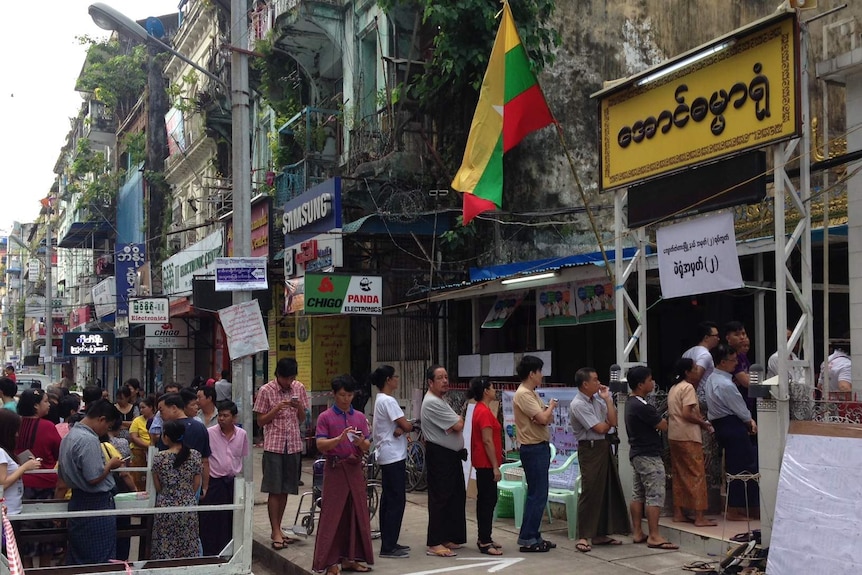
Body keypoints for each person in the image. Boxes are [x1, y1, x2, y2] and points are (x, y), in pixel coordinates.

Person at [312, 375, 374, 574]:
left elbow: (367, 445)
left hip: (355, 467)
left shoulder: (360, 417)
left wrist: (359, 443)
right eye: (342, 395)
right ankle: (330, 562)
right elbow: (320, 444)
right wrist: (339, 439)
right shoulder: (326, 417)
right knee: (332, 515)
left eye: (349, 395)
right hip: (336, 468)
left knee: (356, 513)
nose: (346, 399)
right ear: (334, 394)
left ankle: (351, 558)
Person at [569, 367, 631, 553]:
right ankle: (583, 535)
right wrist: (608, 423)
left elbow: (613, 420)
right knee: (590, 490)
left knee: (606, 489)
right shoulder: (578, 404)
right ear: (585, 384)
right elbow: (601, 428)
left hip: (603, 447)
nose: (599, 383)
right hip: (590, 449)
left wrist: (607, 399)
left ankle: (600, 533)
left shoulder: (596, 400)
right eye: (595, 380)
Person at [253, 358, 310, 550]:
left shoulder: (299, 388)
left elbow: (302, 419)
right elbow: (260, 421)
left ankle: (278, 529)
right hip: (274, 446)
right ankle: (275, 530)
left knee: (286, 488)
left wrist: (298, 407)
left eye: (291, 378)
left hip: (293, 445)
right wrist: (276, 409)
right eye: (286, 378)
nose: (288, 382)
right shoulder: (266, 391)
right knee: (274, 489)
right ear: (278, 375)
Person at [58, 399, 124, 565]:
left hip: (77, 500)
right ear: (101, 419)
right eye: (107, 426)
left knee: (79, 558)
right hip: (96, 503)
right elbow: (94, 477)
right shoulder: (89, 440)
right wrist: (110, 465)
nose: (105, 431)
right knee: (100, 559)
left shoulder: (69, 436)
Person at [624, 366, 678, 550]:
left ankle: (638, 531)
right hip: (648, 455)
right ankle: (654, 535)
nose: (653, 383)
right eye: (650, 380)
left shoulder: (631, 403)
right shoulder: (642, 406)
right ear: (641, 384)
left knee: (638, 492)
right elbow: (663, 425)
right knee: (655, 494)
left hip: (637, 453)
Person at [704, 343, 759, 520]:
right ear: (722, 362)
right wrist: (749, 420)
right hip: (731, 424)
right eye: (732, 360)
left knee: (736, 466)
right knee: (743, 467)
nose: (735, 364)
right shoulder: (725, 384)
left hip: (721, 425)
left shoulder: (712, 379)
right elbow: (740, 408)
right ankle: (735, 509)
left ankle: (742, 506)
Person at [512, 354, 557, 553]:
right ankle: (528, 537)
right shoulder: (523, 394)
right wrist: (551, 408)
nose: (542, 375)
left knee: (539, 493)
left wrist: (547, 413)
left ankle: (534, 534)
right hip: (533, 447)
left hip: (539, 446)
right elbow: (543, 417)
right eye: (539, 371)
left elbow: (545, 417)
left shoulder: (532, 393)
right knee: (537, 494)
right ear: (532, 374)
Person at [420, 365, 466, 558]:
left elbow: (455, 425)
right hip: (440, 456)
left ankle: (447, 535)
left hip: (450, 455)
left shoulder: (441, 400)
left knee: (454, 496)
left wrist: (456, 421)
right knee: (440, 498)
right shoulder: (432, 402)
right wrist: (459, 418)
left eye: (446, 377)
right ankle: (435, 542)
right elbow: (458, 424)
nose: (445, 381)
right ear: (430, 382)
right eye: (440, 378)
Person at [15, 388, 62, 567]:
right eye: (45, 401)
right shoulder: (48, 426)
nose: (48, 404)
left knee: (25, 536)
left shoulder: (16, 425)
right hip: (45, 487)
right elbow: (59, 452)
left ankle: (25, 570)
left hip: (20, 487)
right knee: (46, 538)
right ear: (36, 406)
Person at [667, 358, 716, 527]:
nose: (697, 371)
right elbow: (687, 413)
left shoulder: (674, 388)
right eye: (694, 369)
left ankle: (678, 512)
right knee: (697, 474)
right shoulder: (687, 387)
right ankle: (699, 516)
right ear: (687, 372)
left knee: (679, 473)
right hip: (688, 435)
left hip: (674, 435)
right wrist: (704, 423)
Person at [370, 365, 412, 559]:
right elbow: (405, 424)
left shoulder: (379, 400)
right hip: (393, 454)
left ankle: (390, 541)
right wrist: (406, 426)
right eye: (395, 376)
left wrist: (401, 428)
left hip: (386, 453)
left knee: (389, 499)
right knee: (396, 500)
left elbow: (398, 426)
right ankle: (388, 545)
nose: (397, 379)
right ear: (388, 379)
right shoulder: (389, 400)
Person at [200, 400, 248, 556]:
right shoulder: (209, 433)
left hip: (232, 481)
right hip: (215, 482)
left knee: (231, 518)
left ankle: (229, 552)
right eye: (220, 415)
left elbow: (241, 456)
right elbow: (205, 458)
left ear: (234, 418)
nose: (221, 419)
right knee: (212, 519)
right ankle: (211, 553)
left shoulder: (242, 435)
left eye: (225, 416)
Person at [151, 420, 202, 560]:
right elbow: (196, 483)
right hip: (188, 505)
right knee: (188, 545)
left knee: (165, 545)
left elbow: (157, 486)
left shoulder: (159, 458)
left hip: (165, 506)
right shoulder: (195, 455)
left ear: (166, 437)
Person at [469, 376, 504, 556]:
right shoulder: (482, 411)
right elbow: (487, 440)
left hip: (484, 463)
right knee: (487, 502)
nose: (495, 390)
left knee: (487, 501)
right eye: (492, 388)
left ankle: (486, 536)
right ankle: (484, 540)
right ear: (485, 391)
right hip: (485, 463)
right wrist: (495, 466)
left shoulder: (482, 409)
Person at [0, 409, 42, 546]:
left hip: (12, 510)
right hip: (7, 513)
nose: (17, 434)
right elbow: (2, 483)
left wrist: (23, 463)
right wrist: (24, 468)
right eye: (15, 430)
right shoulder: (1, 452)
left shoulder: (5, 451)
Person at [157, 393, 211, 497]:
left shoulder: (167, 429)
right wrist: (204, 487)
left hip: (168, 489)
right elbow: (205, 461)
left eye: (161, 410)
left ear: (173, 408)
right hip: (194, 486)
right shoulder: (200, 427)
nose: (160, 414)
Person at [725, 321, 755, 419]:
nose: (742, 337)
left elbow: (752, 376)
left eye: (743, 334)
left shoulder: (742, 355)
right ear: (728, 339)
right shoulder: (730, 357)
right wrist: (746, 378)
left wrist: (746, 377)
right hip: (735, 408)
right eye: (737, 335)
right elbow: (747, 382)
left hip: (747, 403)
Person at [682, 321, 721, 388]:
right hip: (700, 396)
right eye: (716, 336)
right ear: (706, 338)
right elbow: (696, 377)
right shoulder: (705, 355)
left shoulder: (687, 352)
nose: (718, 338)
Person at [129, 395, 156, 491]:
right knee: (138, 476)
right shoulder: (137, 420)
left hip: (154, 452)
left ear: (151, 407)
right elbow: (134, 437)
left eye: (143, 407)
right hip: (139, 451)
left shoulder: (157, 420)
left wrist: (152, 448)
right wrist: (148, 446)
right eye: (140, 408)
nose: (141, 410)